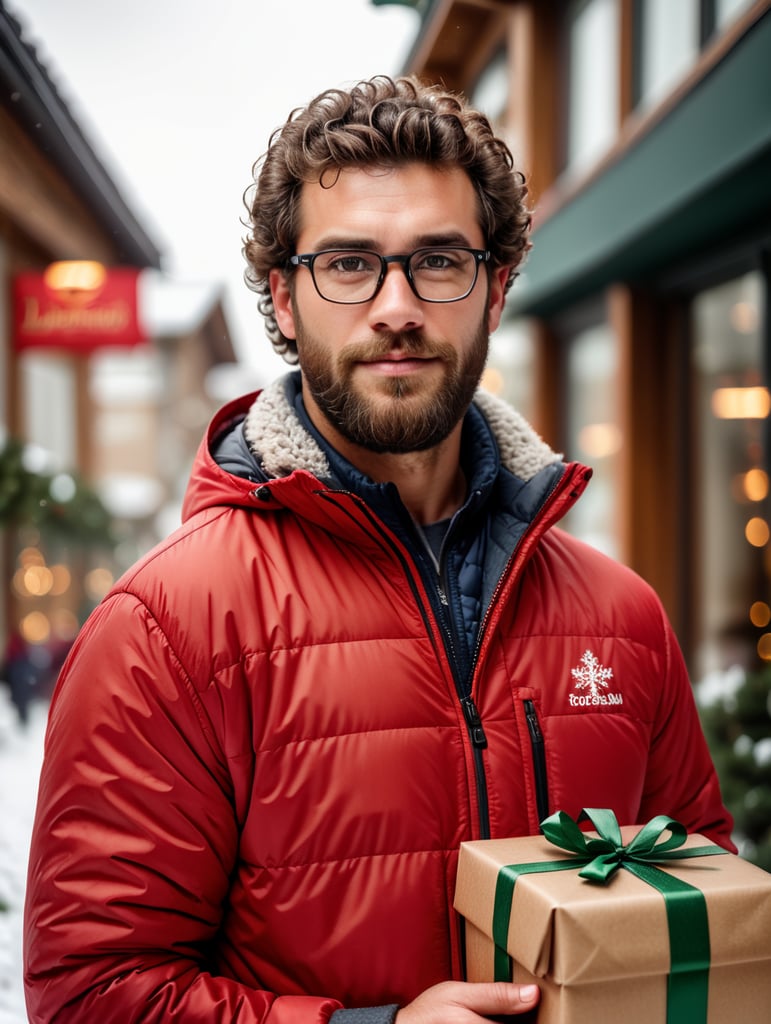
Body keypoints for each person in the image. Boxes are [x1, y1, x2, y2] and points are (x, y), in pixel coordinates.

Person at [24, 75, 735, 1023]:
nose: (396, 306)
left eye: (438, 261)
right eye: (348, 265)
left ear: (495, 291)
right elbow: (93, 994)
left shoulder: (622, 618)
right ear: (283, 300)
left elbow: (700, 918)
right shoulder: (165, 628)